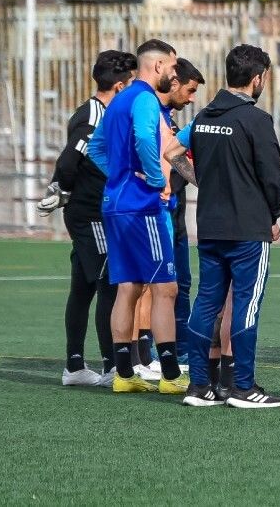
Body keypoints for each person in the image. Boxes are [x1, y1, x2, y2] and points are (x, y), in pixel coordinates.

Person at [177, 45, 280, 409]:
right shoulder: (256, 120)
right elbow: (272, 178)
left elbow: (175, 154)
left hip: (209, 225)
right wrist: (273, 215)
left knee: (206, 301)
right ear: (257, 78)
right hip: (247, 229)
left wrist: (204, 184)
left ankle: (199, 385)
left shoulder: (205, 117)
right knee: (247, 303)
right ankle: (242, 386)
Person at [88, 38, 186, 394]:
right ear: (158, 66)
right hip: (143, 207)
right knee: (166, 288)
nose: (174, 75)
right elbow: (146, 140)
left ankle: (123, 374)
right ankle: (172, 375)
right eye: (173, 68)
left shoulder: (117, 100)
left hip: (115, 204)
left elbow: (95, 148)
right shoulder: (144, 98)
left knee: (127, 288)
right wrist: (158, 180)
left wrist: (119, 174)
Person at [41, 50, 136, 386]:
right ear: (121, 85)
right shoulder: (94, 116)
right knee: (109, 283)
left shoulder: (99, 111)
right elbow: (70, 159)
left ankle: (75, 366)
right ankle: (112, 366)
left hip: (92, 210)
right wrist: (60, 188)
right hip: (92, 213)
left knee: (82, 287)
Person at [158, 58, 204, 358]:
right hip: (156, 214)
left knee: (182, 283)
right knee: (157, 287)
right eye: (189, 91)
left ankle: (183, 348)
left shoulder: (172, 120)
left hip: (176, 217)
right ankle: (148, 352)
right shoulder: (151, 114)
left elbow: (181, 157)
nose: (191, 98)